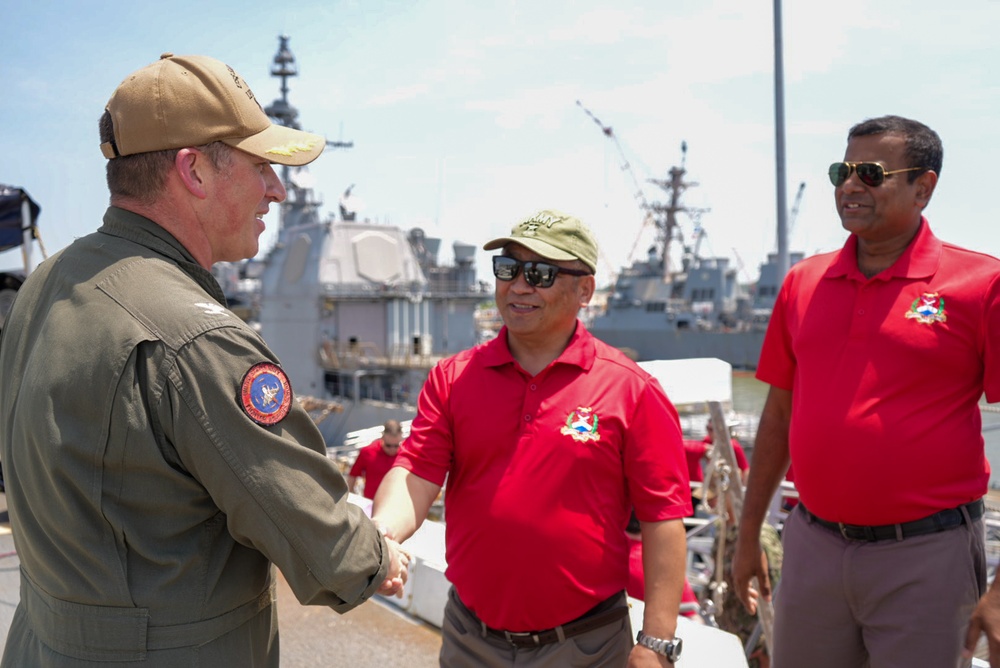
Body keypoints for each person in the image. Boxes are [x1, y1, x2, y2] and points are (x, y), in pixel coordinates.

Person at [0, 53, 408, 667]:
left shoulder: (46, 282)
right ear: (192, 170)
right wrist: (379, 557)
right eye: (260, 165)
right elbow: (329, 551)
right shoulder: (197, 340)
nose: (276, 187)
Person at [731, 115, 1000, 668]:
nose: (850, 186)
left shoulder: (981, 286)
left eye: (871, 173)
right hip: (813, 547)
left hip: (927, 554)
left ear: (923, 187)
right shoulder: (803, 283)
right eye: (842, 171)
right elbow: (778, 415)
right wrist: (748, 533)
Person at [372, 209, 691, 667]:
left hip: (585, 646)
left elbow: (664, 518)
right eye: (508, 269)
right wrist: (383, 533)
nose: (520, 286)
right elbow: (416, 474)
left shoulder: (631, 390)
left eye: (540, 273)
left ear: (585, 289)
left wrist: (657, 643)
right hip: (469, 638)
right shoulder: (453, 377)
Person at [347, 419, 405, 499]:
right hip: (371, 504)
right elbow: (352, 476)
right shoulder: (367, 452)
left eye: (396, 446)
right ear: (383, 437)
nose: (392, 449)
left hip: (398, 504)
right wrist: (351, 498)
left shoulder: (406, 454)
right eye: (388, 445)